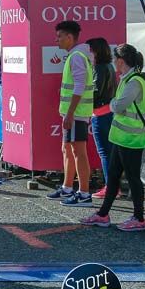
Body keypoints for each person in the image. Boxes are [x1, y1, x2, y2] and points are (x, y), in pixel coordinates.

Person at [81, 44, 145, 231]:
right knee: (112, 177)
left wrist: (112, 104)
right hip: (123, 138)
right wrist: (113, 104)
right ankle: (103, 214)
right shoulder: (127, 79)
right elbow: (118, 104)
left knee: (133, 178)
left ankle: (139, 218)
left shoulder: (135, 82)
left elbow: (119, 105)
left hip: (132, 139)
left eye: (115, 60)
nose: (113, 62)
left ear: (121, 61)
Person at [47, 21, 95, 206]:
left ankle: (84, 194)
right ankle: (68, 187)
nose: (56, 40)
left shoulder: (76, 56)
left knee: (78, 153)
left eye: (59, 36)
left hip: (76, 114)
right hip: (73, 113)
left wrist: (70, 114)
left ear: (69, 37)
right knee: (67, 150)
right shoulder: (77, 55)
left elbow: (79, 87)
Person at [87, 38, 118, 201]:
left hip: (100, 113)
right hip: (108, 111)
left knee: (105, 153)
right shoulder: (109, 66)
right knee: (109, 152)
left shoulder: (99, 67)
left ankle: (110, 187)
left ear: (96, 51)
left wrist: (83, 99)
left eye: (89, 50)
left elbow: (96, 91)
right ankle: (113, 186)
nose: (88, 53)